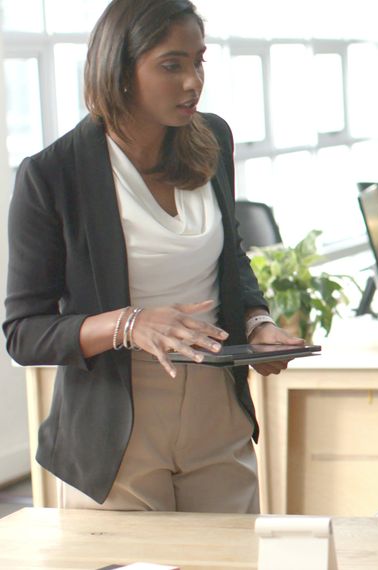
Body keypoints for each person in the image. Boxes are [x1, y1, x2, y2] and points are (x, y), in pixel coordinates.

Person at [3, 0, 303, 513]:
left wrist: (256, 323)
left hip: (216, 409)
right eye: (172, 65)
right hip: (115, 424)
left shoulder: (211, 138)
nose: (193, 82)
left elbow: (230, 255)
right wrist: (130, 323)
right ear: (119, 71)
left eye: (198, 61)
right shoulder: (52, 175)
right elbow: (23, 333)